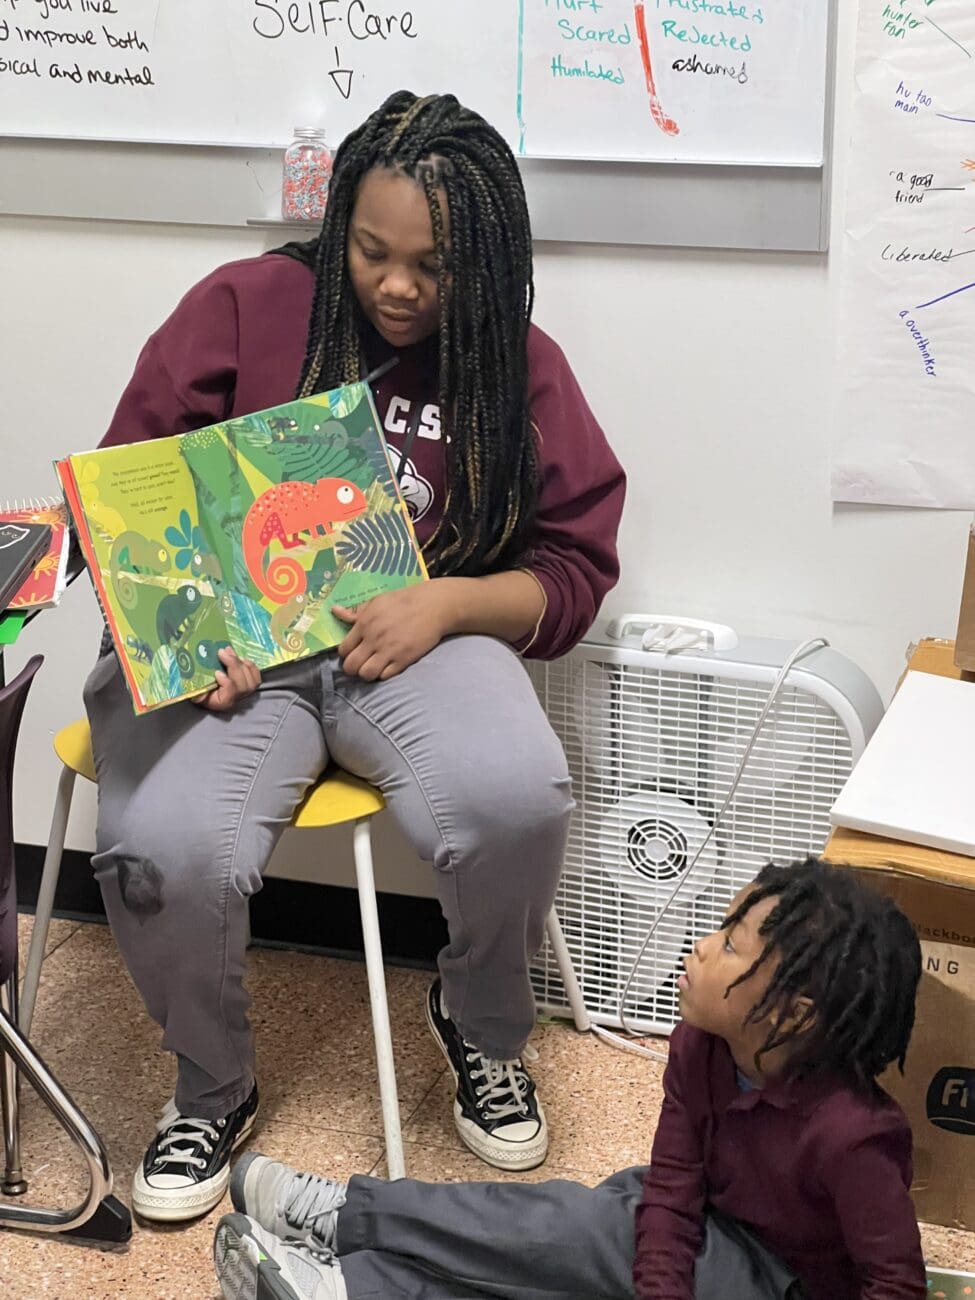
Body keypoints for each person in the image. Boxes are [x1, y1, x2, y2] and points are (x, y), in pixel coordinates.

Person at [83, 90, 626, 1222]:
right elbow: (124, 496)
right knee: (166, 846)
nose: (396, 286)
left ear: (483, 260)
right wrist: (192, 633)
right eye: (372, 252)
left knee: (519, 792)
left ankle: (480, 1024)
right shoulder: (245, 305)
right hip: (238, 652)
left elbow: (576, 567)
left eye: (431, 267)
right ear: (339, 230)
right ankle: (212, 1086)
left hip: (416, 633)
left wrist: (454, 602)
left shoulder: (517, 363)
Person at [210, 858, 928, 1300]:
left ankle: (349, 1219)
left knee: (583, 1237)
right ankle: (350, 1287)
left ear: (793, 1014)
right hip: (698, 1222)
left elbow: (895, 1282)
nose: (702, 946)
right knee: (566, 1246)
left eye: (730, 945)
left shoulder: (854, 1136)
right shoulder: (700, 1046)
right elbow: (674, 1184)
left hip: (779, 1281)